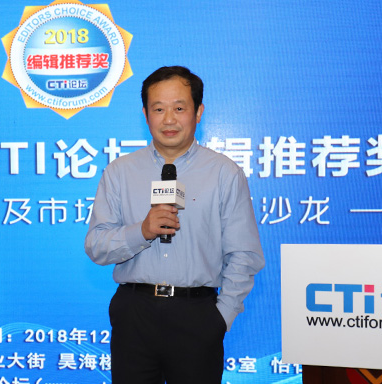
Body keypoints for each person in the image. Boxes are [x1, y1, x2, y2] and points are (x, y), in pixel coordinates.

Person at [84, 66, 265, 384]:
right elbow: (97, 246)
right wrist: (141, 232)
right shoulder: (120, 172)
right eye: (158, 109)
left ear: (198, 112)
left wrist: (221, 317)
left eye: (179, 108)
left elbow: (244, 254)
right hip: (134, 314)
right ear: (145, 114)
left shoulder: (224, 173)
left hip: (197, 315)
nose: (169, 119)